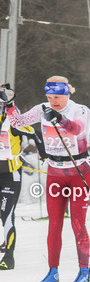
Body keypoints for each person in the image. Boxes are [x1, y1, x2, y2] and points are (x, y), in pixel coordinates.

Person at [5, 77, 90, 282]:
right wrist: (10, 105)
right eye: (50, 97)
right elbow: (18, 122)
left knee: (78, 223)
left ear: (67, 94)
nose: (53, 101)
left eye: (58, 97)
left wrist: (60, 119)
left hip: (79, 170)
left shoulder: (80, 110)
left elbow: (76, 129)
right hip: (55, 171)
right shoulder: (42, 108)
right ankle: (53, 272)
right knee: (54, 225)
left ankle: (84, 273)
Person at [0, 88, 36, 270]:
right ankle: (6, 243)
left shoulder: (13, 121)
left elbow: (35, 134)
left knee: (6, 214)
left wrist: (46, 154)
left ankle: (9, 256)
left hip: (11, 175)